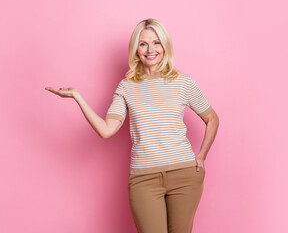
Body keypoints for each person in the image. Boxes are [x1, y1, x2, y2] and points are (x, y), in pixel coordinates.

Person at [46, 18, 219, 233]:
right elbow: (106, 130)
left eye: (156, 42)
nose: (150, 49)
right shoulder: (127, 87)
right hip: (144, 179)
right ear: (136, 50)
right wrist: (77, 96)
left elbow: (212, 118)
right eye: (143, 43)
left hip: (184, 174)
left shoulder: (183, 82)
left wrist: (201, 155)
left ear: (165, 45)